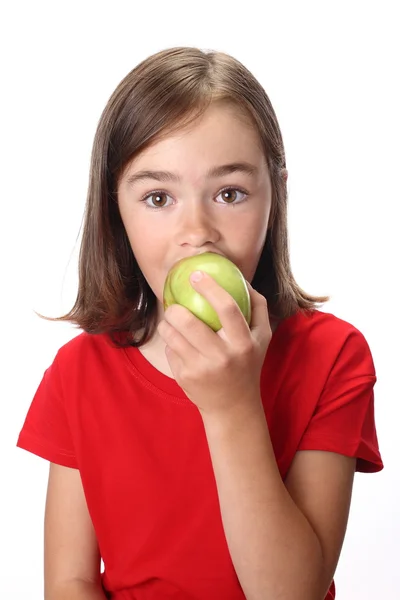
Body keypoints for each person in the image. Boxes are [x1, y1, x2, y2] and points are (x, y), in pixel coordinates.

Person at [17, 46, 383, 600]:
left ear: (275, 195)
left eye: (229, 193)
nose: (198, 231)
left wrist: (232, 405)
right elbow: (67, 582)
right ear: (116, 209)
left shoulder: (333, 356)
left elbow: (289, 593)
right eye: (158, 197)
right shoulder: (79, 372)